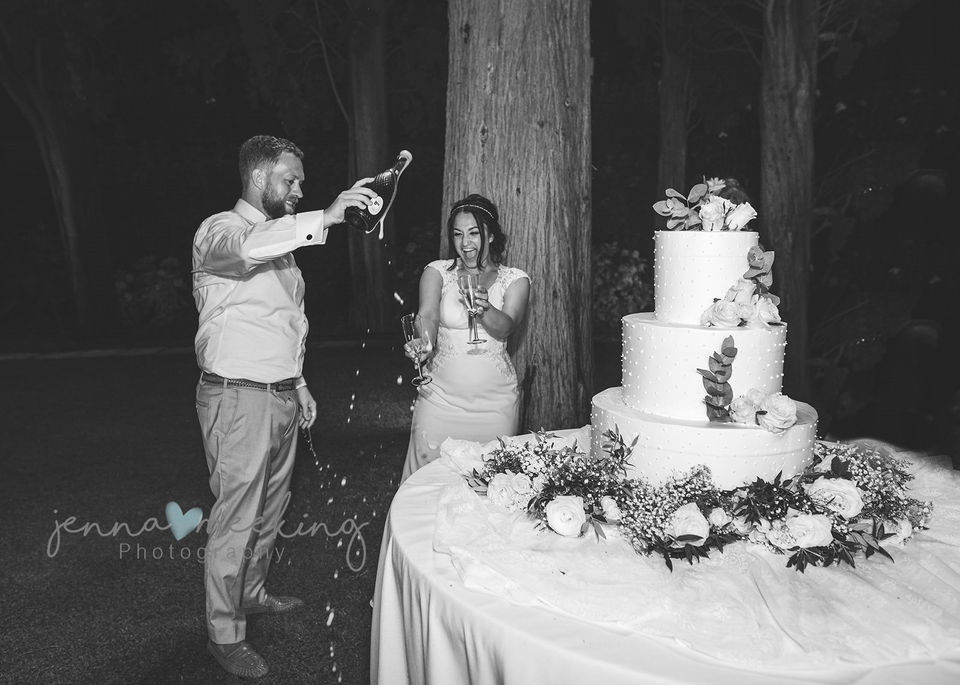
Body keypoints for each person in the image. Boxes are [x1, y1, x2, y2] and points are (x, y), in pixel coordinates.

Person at [192, 134, 378, 679]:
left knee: (271, 510)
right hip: (236, 397)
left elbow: (286, 324)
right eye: (289, 180)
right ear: (257, 178)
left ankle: (250, 594)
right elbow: (249, 249)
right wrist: (329, 213)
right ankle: (223, 636)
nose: (298, 189)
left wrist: (298, 385)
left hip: (278, 396)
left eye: (301, 182)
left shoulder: (283, 245)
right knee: (236, 519)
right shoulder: (219, 232)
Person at [400, 193, 531, 481]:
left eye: (474, 233)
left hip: (493, 405)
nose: (465, 243)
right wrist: (424, 341)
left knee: (490, 485)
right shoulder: (437, 272)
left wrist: (484, 309)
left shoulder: (515, 280)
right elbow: (428, 316)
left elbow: (506, 326)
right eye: (458, 234)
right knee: (428, 480)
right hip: (440, 400)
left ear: (492, 235)